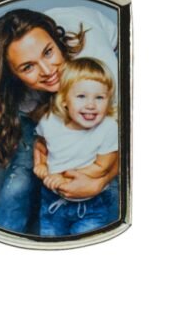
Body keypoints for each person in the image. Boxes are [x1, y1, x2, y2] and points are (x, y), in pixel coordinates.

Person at [0, 8, 118, 234]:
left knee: (100, 163)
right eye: (28, 67)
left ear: (57, 42)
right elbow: (42, 140)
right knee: (21, 177)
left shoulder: (99, 70)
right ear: (14, 76)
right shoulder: (23, 94)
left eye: (48, 52)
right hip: (39, 100)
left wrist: (99, 182)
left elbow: (122, 136)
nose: (48, 71)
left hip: (93, 53)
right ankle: (1, 239)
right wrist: (44, 163)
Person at [33, 58, 118, 236]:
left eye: (99, 97)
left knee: (87, 244)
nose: (91, 105)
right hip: (52, 201)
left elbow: (102, 167)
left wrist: (62, 177)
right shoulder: (50, 122)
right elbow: (40, 144)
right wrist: (40, 164)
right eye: (81, 96)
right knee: (51, 242)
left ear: (108, 99)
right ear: (64, 100)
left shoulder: (108, 128)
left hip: (91, 206)